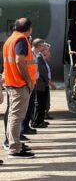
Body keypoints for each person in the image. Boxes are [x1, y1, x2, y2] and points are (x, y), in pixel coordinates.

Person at [3, 18, 36, 158]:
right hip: (19, 84)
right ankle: (14, 148)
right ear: (29, 28)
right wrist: (28, 80)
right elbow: (19, 60)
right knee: (16, 117)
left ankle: (13, 144)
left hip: (12, 82)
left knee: (12, 116)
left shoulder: (10, 39)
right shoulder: (22, 39)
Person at [32, 40, 50, 128]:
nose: (44, 48)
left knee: (42, 104)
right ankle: (37, 122)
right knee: (39, 103)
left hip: (42, 84)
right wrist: (47, 80)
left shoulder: (39, 56)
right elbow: (42, 71)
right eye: (42, 46)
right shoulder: (38, 57)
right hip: (40, 84)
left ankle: (40, 121)